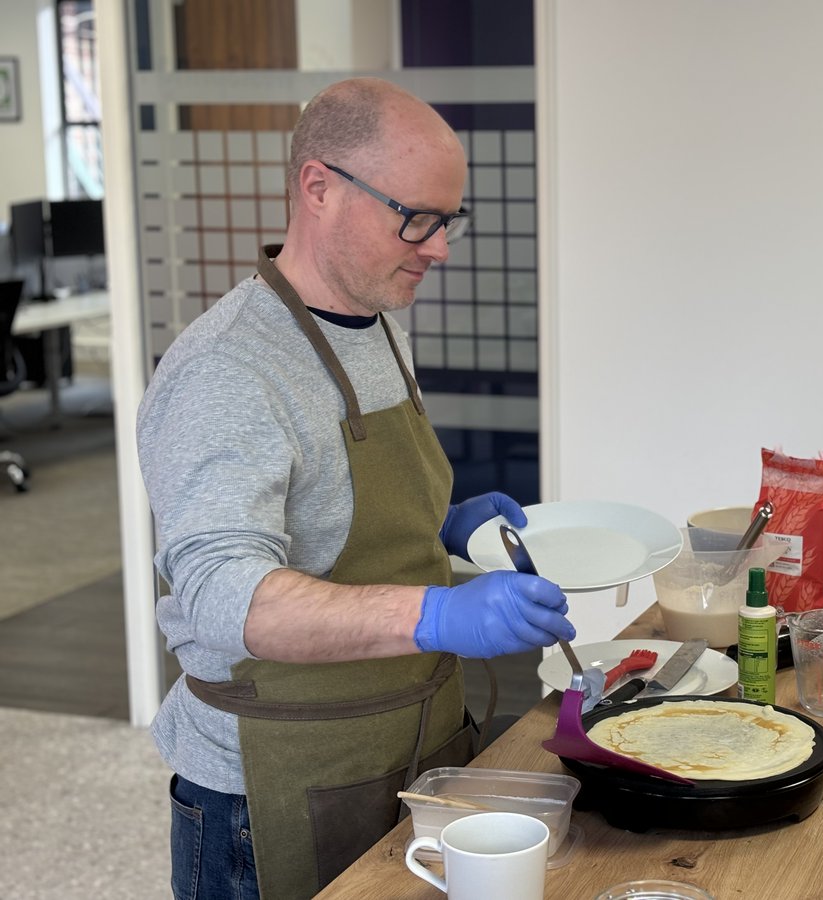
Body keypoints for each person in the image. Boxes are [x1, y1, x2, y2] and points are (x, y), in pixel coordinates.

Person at [136, 78, 575, 900]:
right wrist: (438, 611)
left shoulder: (377, 324)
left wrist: (440, 528)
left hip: (417, 742)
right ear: (319, 187)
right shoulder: (226, 370)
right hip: (281, 783)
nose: (438, 246)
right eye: (415, 217)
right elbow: (230, 598)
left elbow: (332, 512)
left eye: (449, 220)